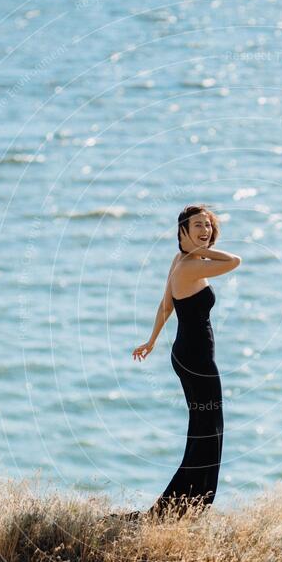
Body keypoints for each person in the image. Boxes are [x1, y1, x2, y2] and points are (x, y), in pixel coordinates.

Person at [114, 204, 241, 523]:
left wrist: (151, 340)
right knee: (207, 430)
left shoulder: (182, 262)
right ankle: (178, 507)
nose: (206, 230)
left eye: (209, 225)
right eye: (197, 225)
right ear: (182, 231)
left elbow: (165, 306)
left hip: (188, 354)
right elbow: (234, 261)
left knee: (204, 428)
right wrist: (204, 249)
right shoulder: (189, 266)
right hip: (196, 358)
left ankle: (182, 506)